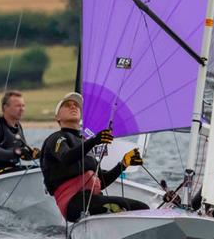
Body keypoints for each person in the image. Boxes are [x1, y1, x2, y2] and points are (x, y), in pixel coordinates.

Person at [39, 92, 149, 223]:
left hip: (93, 199)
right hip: (73, 203)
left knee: (142, 208)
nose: (73, 107)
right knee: (122, 206)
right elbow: (66, 158)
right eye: (67, 105)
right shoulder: (56, 138)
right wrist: (94, 141)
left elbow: (101, 182)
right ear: (57, 117)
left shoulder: (84, 142)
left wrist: (123, 164)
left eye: (76, 105)